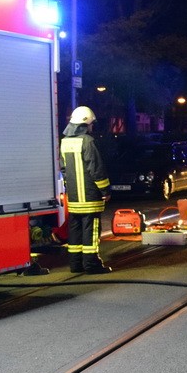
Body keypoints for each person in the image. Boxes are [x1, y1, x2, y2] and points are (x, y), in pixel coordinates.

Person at [59, 106, 112, 274]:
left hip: (74, 197)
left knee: (75, 230)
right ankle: (91, 264)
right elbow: (95, 169)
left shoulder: (65, 142)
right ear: (86, 123)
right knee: (91, 230)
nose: (92, 127)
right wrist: (105, 190)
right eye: (91, 124)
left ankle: (75, 264)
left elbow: (63, 167)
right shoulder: (87, 141)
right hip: (90, 196)